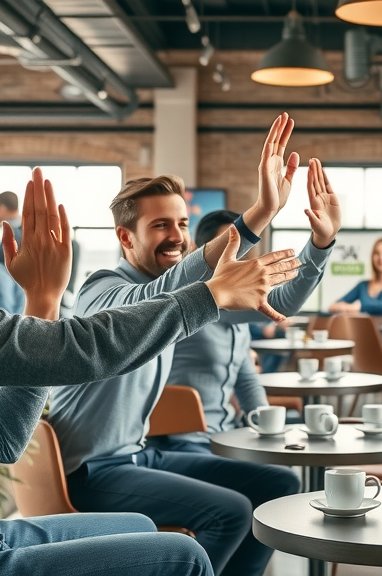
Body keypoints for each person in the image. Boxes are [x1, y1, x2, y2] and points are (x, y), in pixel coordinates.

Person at [0, 127, 302, 576]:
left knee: (141, 526)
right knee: (184, 557)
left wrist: (43, 300)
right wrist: (212, 293)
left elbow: (6, 440)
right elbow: (84, 346)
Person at [48, 114, 339, 576]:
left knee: (280, 483)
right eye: (161, 225)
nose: (177, 236)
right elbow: (155, 301)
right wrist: (260, 213)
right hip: (91, 471)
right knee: (231, 511)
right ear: (125, 237)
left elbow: (280, 301)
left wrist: (320, 244)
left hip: (139, 453)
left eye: (182, 223)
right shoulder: (101, 290)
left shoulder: (181, 298)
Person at [160, 160, 340, 452]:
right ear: (201, 255)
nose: (237, 262)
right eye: (228, 250)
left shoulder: (237, 322)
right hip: (186, 440)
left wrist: (270, 433)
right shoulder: (195, 299)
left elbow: (246, 383)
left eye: (243, 253)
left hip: (225, 433)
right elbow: (284, 302)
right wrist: (320, 245)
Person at [329, 237, 382, 315]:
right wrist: (349, 308)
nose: (381, 258)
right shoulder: (363, 286)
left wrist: (359, 307)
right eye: (377, 253)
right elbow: (334, 306)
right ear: (372, 257)